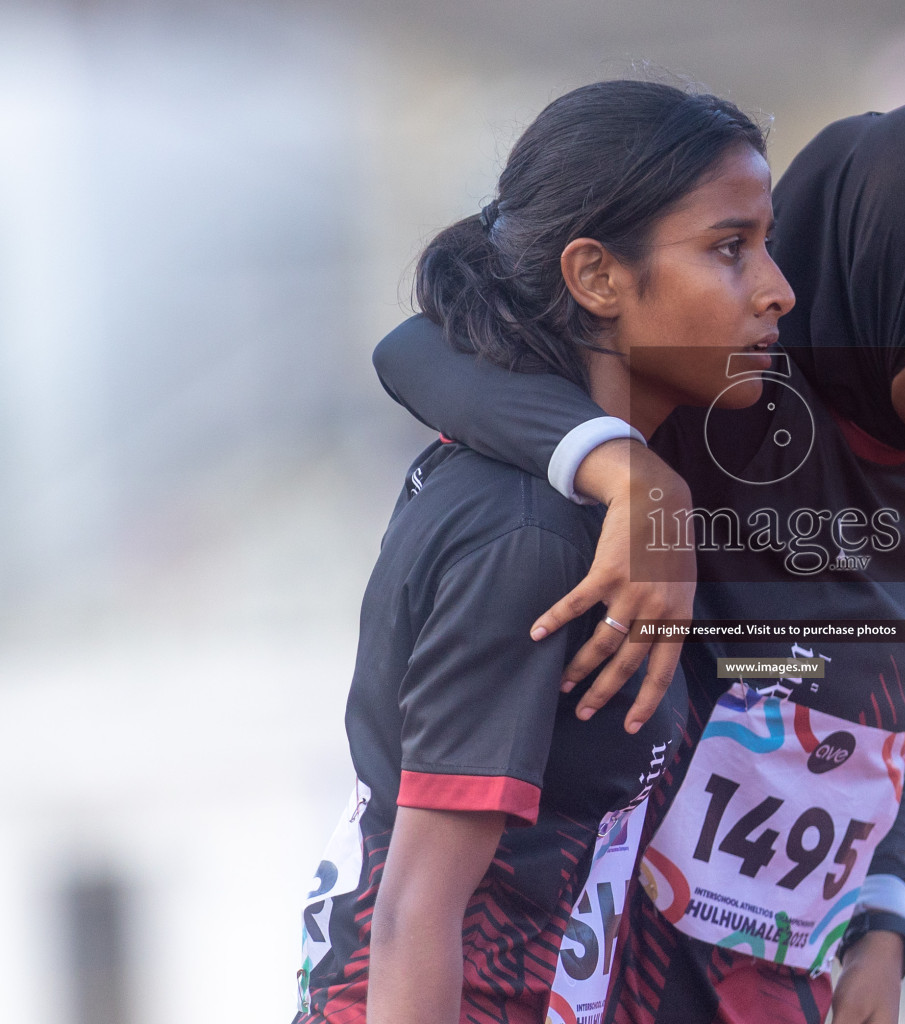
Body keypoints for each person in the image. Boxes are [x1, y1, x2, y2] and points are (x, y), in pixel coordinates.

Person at [373, 97, 905, 1024]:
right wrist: (635, 476)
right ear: (895, 281)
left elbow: (866, 706)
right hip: (614, 968)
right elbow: (416, 350)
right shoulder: (725, 400)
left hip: (777, 983)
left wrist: (882, 909)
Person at [294, 79, 795, 1024]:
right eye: (731, 248)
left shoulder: (586, 491)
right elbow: (414, 911)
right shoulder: (528, 532)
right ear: (598, 277)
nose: (777, 288)